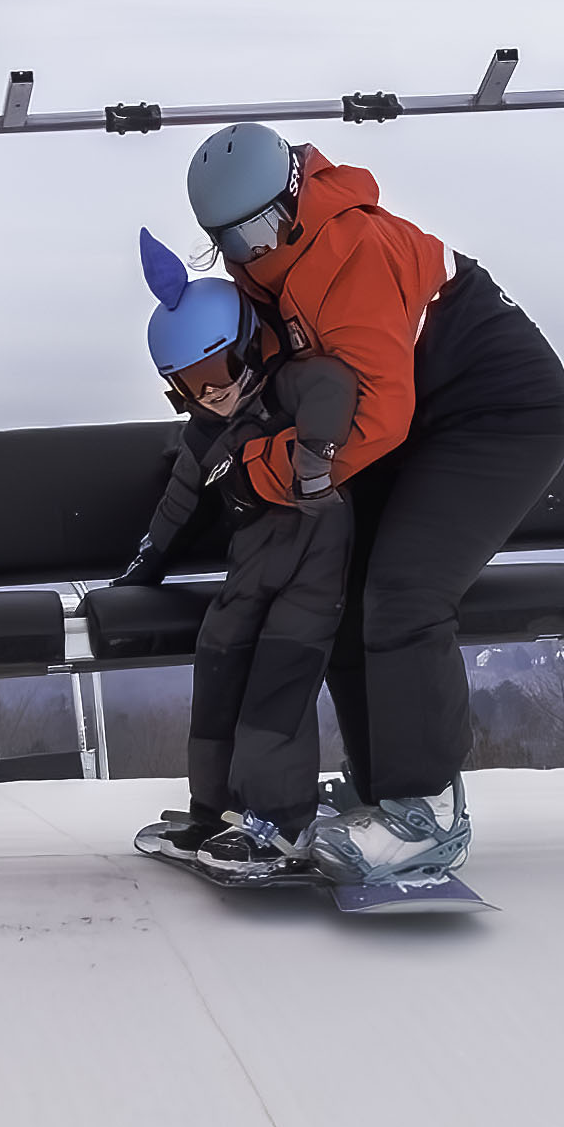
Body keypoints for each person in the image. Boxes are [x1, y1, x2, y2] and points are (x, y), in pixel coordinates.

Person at [179, 123, 564, 886]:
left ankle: (424, 815)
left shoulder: (346, 250)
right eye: (229, 237)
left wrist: (259, 471)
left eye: (261, 226)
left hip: (497, 413)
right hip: (419, 421)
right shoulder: (267, 269)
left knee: (405, 593)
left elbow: (376, 417)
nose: (251, 248)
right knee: (348, 594)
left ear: (293, 195)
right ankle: (380, 793)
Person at [118, 229, 357, 877]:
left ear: (251, 343)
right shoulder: (204, 438)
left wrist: (314, 455)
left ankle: (279, 822)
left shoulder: (291, 388)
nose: (214, 392)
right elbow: (176, 510)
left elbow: (335, 388)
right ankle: (214, 810)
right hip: (248, 571)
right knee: (218, 672)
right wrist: (141, 570)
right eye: (190, 384)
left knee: (274, 691)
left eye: (220, 370)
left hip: (312, 567)